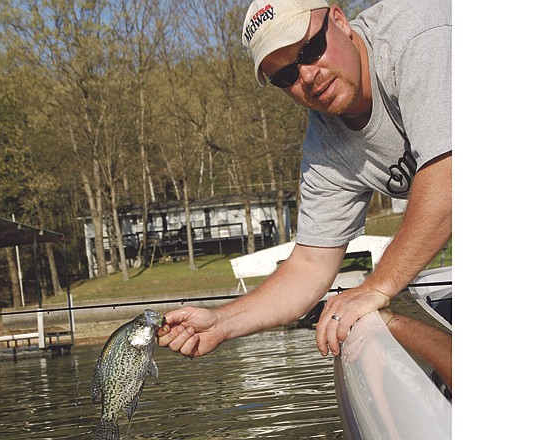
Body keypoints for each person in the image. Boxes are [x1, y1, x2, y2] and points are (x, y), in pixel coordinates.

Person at [158, 0, 451, 360]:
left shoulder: (419, 33)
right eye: (285, 76)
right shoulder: (325, 144)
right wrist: (221, 322)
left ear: (340, 21)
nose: (307, 76)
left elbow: (450, 180)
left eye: (310, 49)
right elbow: (310, 265)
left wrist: (375, 287)